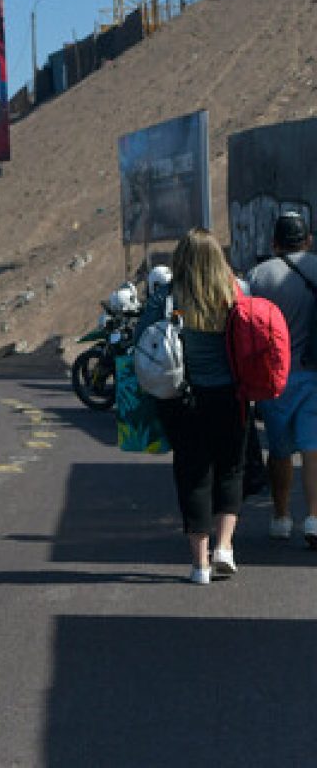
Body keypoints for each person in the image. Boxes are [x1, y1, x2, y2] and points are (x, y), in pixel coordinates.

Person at [137, 229, 246, 584]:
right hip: (230, 396)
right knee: (230, 469)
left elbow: (142, 338)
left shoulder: (168, 297)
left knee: (193, 477)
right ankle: (225, 548)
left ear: (181, 258)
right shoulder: (234, 294)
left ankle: (200, 565)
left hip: (183, 400)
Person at [247, 211, 317, 547]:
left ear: (274, 243)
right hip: (313, 372)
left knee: (279, 450)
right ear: (308, 240)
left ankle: (281, 517)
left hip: (273, 376)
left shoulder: (259, 276)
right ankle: (314, 519)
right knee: (313, 448)